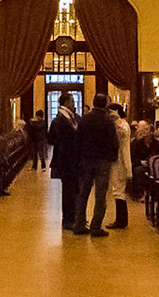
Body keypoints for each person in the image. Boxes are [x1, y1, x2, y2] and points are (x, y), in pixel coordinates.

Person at [74, 92, 120, 236]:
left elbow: (78, 140)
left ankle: (79, 224)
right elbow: (113, 142)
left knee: (83, 193)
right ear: (105, 103)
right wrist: (112, 158)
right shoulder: (107, 121)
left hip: (86, 160)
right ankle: (96, 226)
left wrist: (79, 158)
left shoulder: (85, 119)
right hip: (102, 161)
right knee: (100, 195)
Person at [48, 99, 81, 230]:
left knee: (75, 189)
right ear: (66, 103)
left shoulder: (73, 118)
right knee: (68, 190)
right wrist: (62, 143)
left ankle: (75, 217)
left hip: (74, 159)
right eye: (71, 101)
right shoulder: (59, 120)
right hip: (66, 159)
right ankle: (68, 219)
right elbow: (50, 138)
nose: (73, 104)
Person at [106, 101, 131, 228]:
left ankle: (121, 221)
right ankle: (120, 219)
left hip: (121, 161)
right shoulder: (120, 124)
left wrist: (116, 120)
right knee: (117, 189)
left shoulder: (123, 125)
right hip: (118, 160)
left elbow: (122, 134)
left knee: (119, 190)